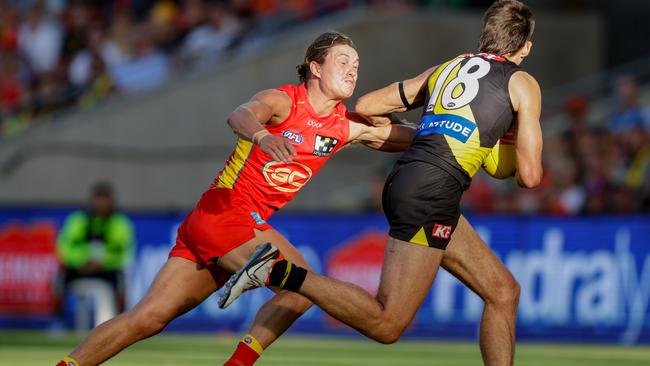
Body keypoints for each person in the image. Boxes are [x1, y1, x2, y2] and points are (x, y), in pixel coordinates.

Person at [56, 31, 417, 366]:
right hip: (225, 210)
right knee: (302, 287)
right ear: (315, 67)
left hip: (223, 225)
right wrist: (261, 137)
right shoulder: (283, 101)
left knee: (147, 319)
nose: (352, 71)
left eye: (356, 65)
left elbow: (418, 137)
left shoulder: (344, 126)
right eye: (343, 62)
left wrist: (443, 122)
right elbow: (239, 114)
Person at [220, 1, 543, 365]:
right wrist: (508, 139)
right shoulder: (523, 83)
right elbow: (529, 177)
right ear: (526, 46)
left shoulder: (448, 68)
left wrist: (439, 128)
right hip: (433, 190)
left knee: (503, 290)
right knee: (387, 324)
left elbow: (369, 104)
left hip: (411, 178)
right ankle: (274, 270)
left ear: (485, 36)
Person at [57, 182, 135, 327]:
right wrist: (80, 262)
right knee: (58, 281)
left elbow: (125, 253)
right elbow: (64, 248)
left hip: (106, 269)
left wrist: (102, 263)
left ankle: (119, 323)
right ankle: (57, 322)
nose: (101, 206)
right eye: (98, 202)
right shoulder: (77, 220)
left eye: (105, 203)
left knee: (121, 282)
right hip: (79, 268)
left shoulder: (120, 223)